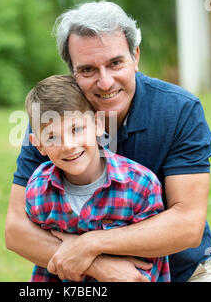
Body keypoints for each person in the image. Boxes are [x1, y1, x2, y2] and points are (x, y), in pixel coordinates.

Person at [5, 1, 211, 282]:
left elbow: (187, 225)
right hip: (83, 278)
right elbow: (16, 230)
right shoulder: (53, 122)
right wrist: (97, 266)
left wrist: (91, 244)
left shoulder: (179, 110)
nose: (105, 83)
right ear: (73, 72)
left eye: (116, 63)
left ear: (136, 56)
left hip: (182, 272)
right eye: (88, 70)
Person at [24, 75, 170, 282]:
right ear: (38, 144)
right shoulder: (38, 190)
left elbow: (144, 269)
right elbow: (44, 265)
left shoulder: (141, 186)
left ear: (98, 124)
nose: (67, 145)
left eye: (76, 129)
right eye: (52, 137)